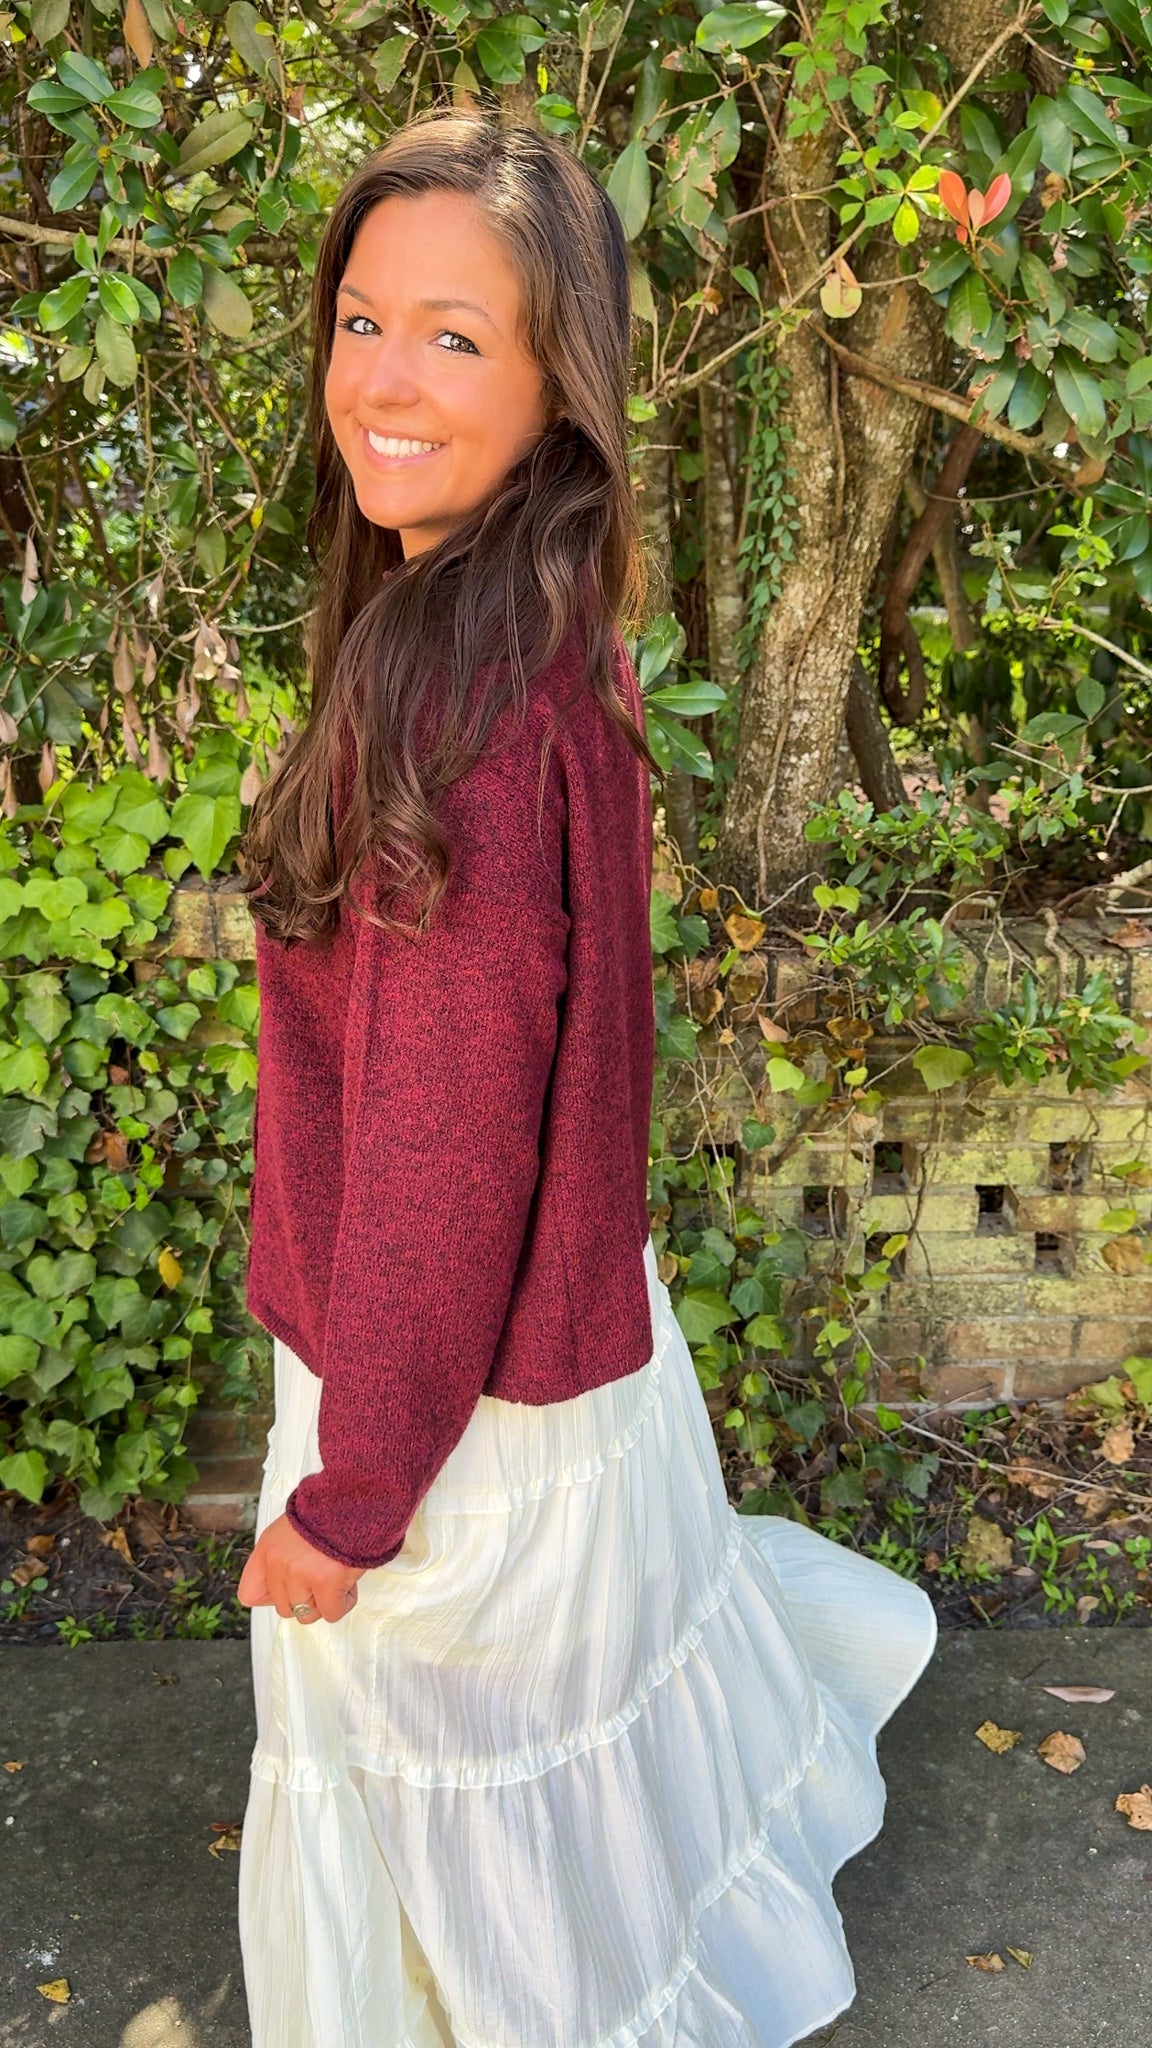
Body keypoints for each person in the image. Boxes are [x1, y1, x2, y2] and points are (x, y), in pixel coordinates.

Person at [234, 106, 937, 2048]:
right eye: (363, 319)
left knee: (478, 1826)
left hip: (453, 1408)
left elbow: (441, 1146)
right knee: (569, 1777)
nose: (381, 375)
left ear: (563, 385)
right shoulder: (530, 622)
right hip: (567, 1340)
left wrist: (350, 1497)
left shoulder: (454, 692)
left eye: (455, 336)